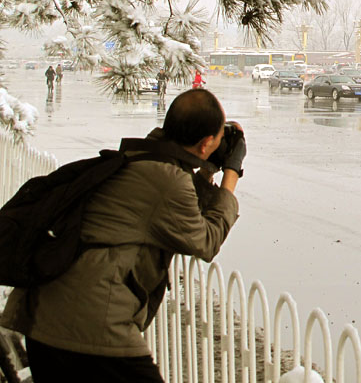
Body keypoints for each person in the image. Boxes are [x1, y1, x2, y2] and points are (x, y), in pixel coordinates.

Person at [0, 88, 245, 383]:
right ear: (206, 144)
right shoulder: (167, 179)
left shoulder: (142, 157)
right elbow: (206, 241)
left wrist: (207, 170)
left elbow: (177, 207)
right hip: (90, 325)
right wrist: (231, 173)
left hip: (43, 317)